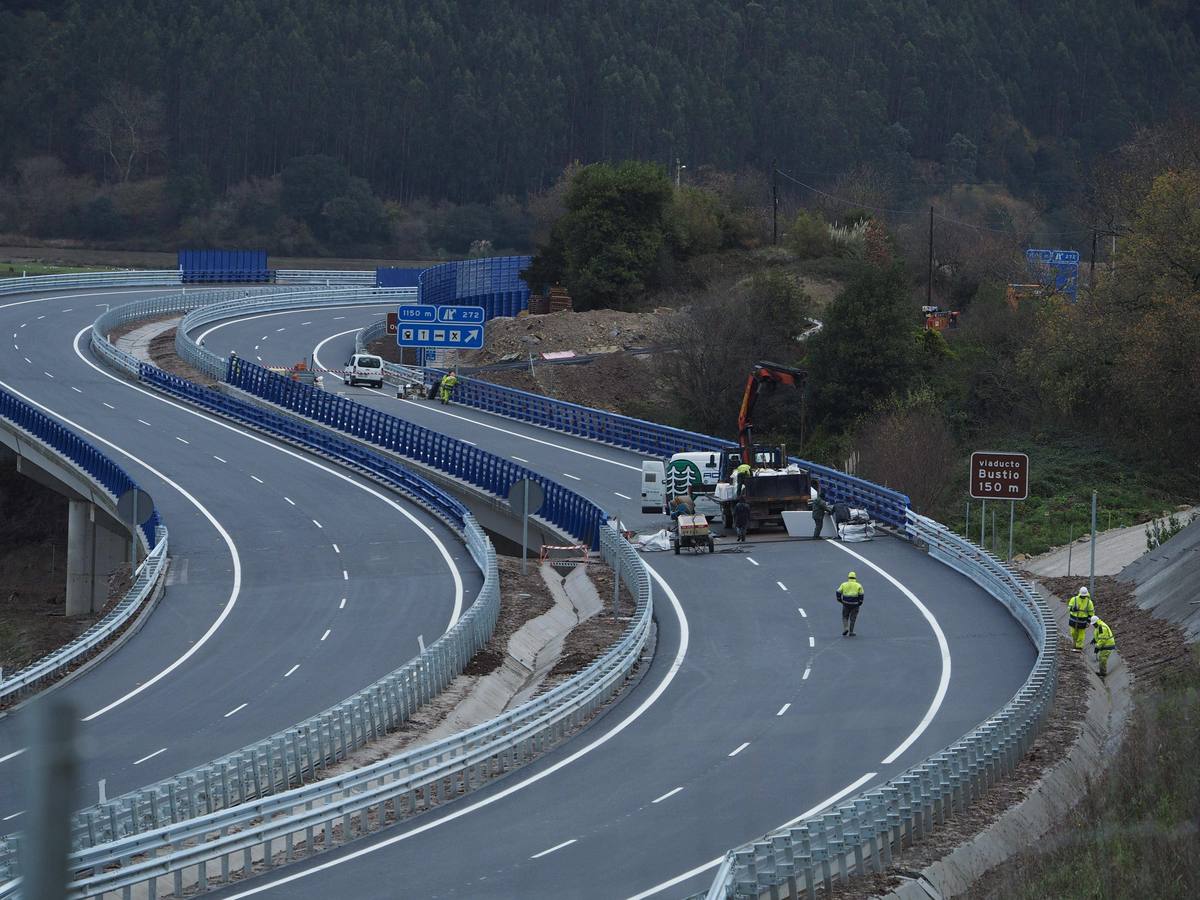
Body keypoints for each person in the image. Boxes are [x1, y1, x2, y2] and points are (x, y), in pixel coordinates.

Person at [836, 571, 864, 636]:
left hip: (845, 603)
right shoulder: (858, 585)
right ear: (855, 578)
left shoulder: (844, 584)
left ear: (848, 577)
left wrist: (839, 600)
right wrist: (860, 603)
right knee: (853, 618)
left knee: (845, 617)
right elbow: (861, 595)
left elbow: (838, 592)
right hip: (855, 604)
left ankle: (846, 628)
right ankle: (851, 632)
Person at [1067, 586, 1094, 652]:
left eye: (1084, 596)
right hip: (1074, 620)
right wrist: (1073, 609)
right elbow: (1069, 608)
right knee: (1073, 633)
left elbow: (1091, 613)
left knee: (1081, 635)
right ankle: (1075, 643)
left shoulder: (1089, 602)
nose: (1083, 597)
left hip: (1083, 622)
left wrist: (1088, 622)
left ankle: (1079, 647)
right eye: (1082, 596)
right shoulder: (1074, 599)